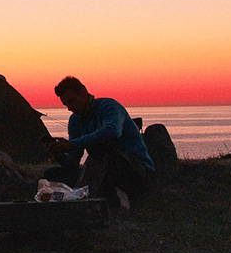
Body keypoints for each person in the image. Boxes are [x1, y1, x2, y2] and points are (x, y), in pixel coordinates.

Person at [45, 76, 154, 208]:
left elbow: (112, 132)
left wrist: (72, 144)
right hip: (101, 168)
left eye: (72, 101)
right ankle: (97, 195)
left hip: (134, 168)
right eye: (66, 104)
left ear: (84, 92)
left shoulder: (109, 106)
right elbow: (73, 162)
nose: (69, 107)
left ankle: (107, 198)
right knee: (51, 174)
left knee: (102, 152)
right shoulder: (75, 120)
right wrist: (58, 152)